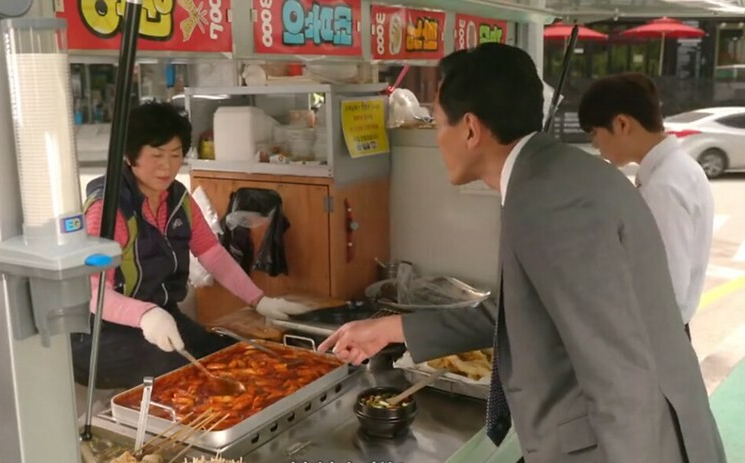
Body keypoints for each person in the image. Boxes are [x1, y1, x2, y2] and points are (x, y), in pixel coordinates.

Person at [318, 44, 725, 463]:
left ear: (471, 129)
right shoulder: (553, 176)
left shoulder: (552, 203)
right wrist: (391, 328)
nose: (436, 139)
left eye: (437, 124)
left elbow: (619, 376)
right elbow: (514, 309)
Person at [71, 102, 310, 390]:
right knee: (184, 374)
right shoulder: (107, 209)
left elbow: (212, 254)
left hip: (163, 315)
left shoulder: (177, 199)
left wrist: (259, 300)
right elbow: (94, 292)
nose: (167, 166)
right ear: (129, 156)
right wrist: (146, 315)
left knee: (225, 355)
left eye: (175, 155)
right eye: (156, 155)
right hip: (102, 335)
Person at [578, 73, 714, 341]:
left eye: (594, 133)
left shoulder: (663, 187)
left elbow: (666, 291)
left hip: (655, 337)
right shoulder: (677, 170)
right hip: (663, 332)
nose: (594, 144)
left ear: (621, 124)